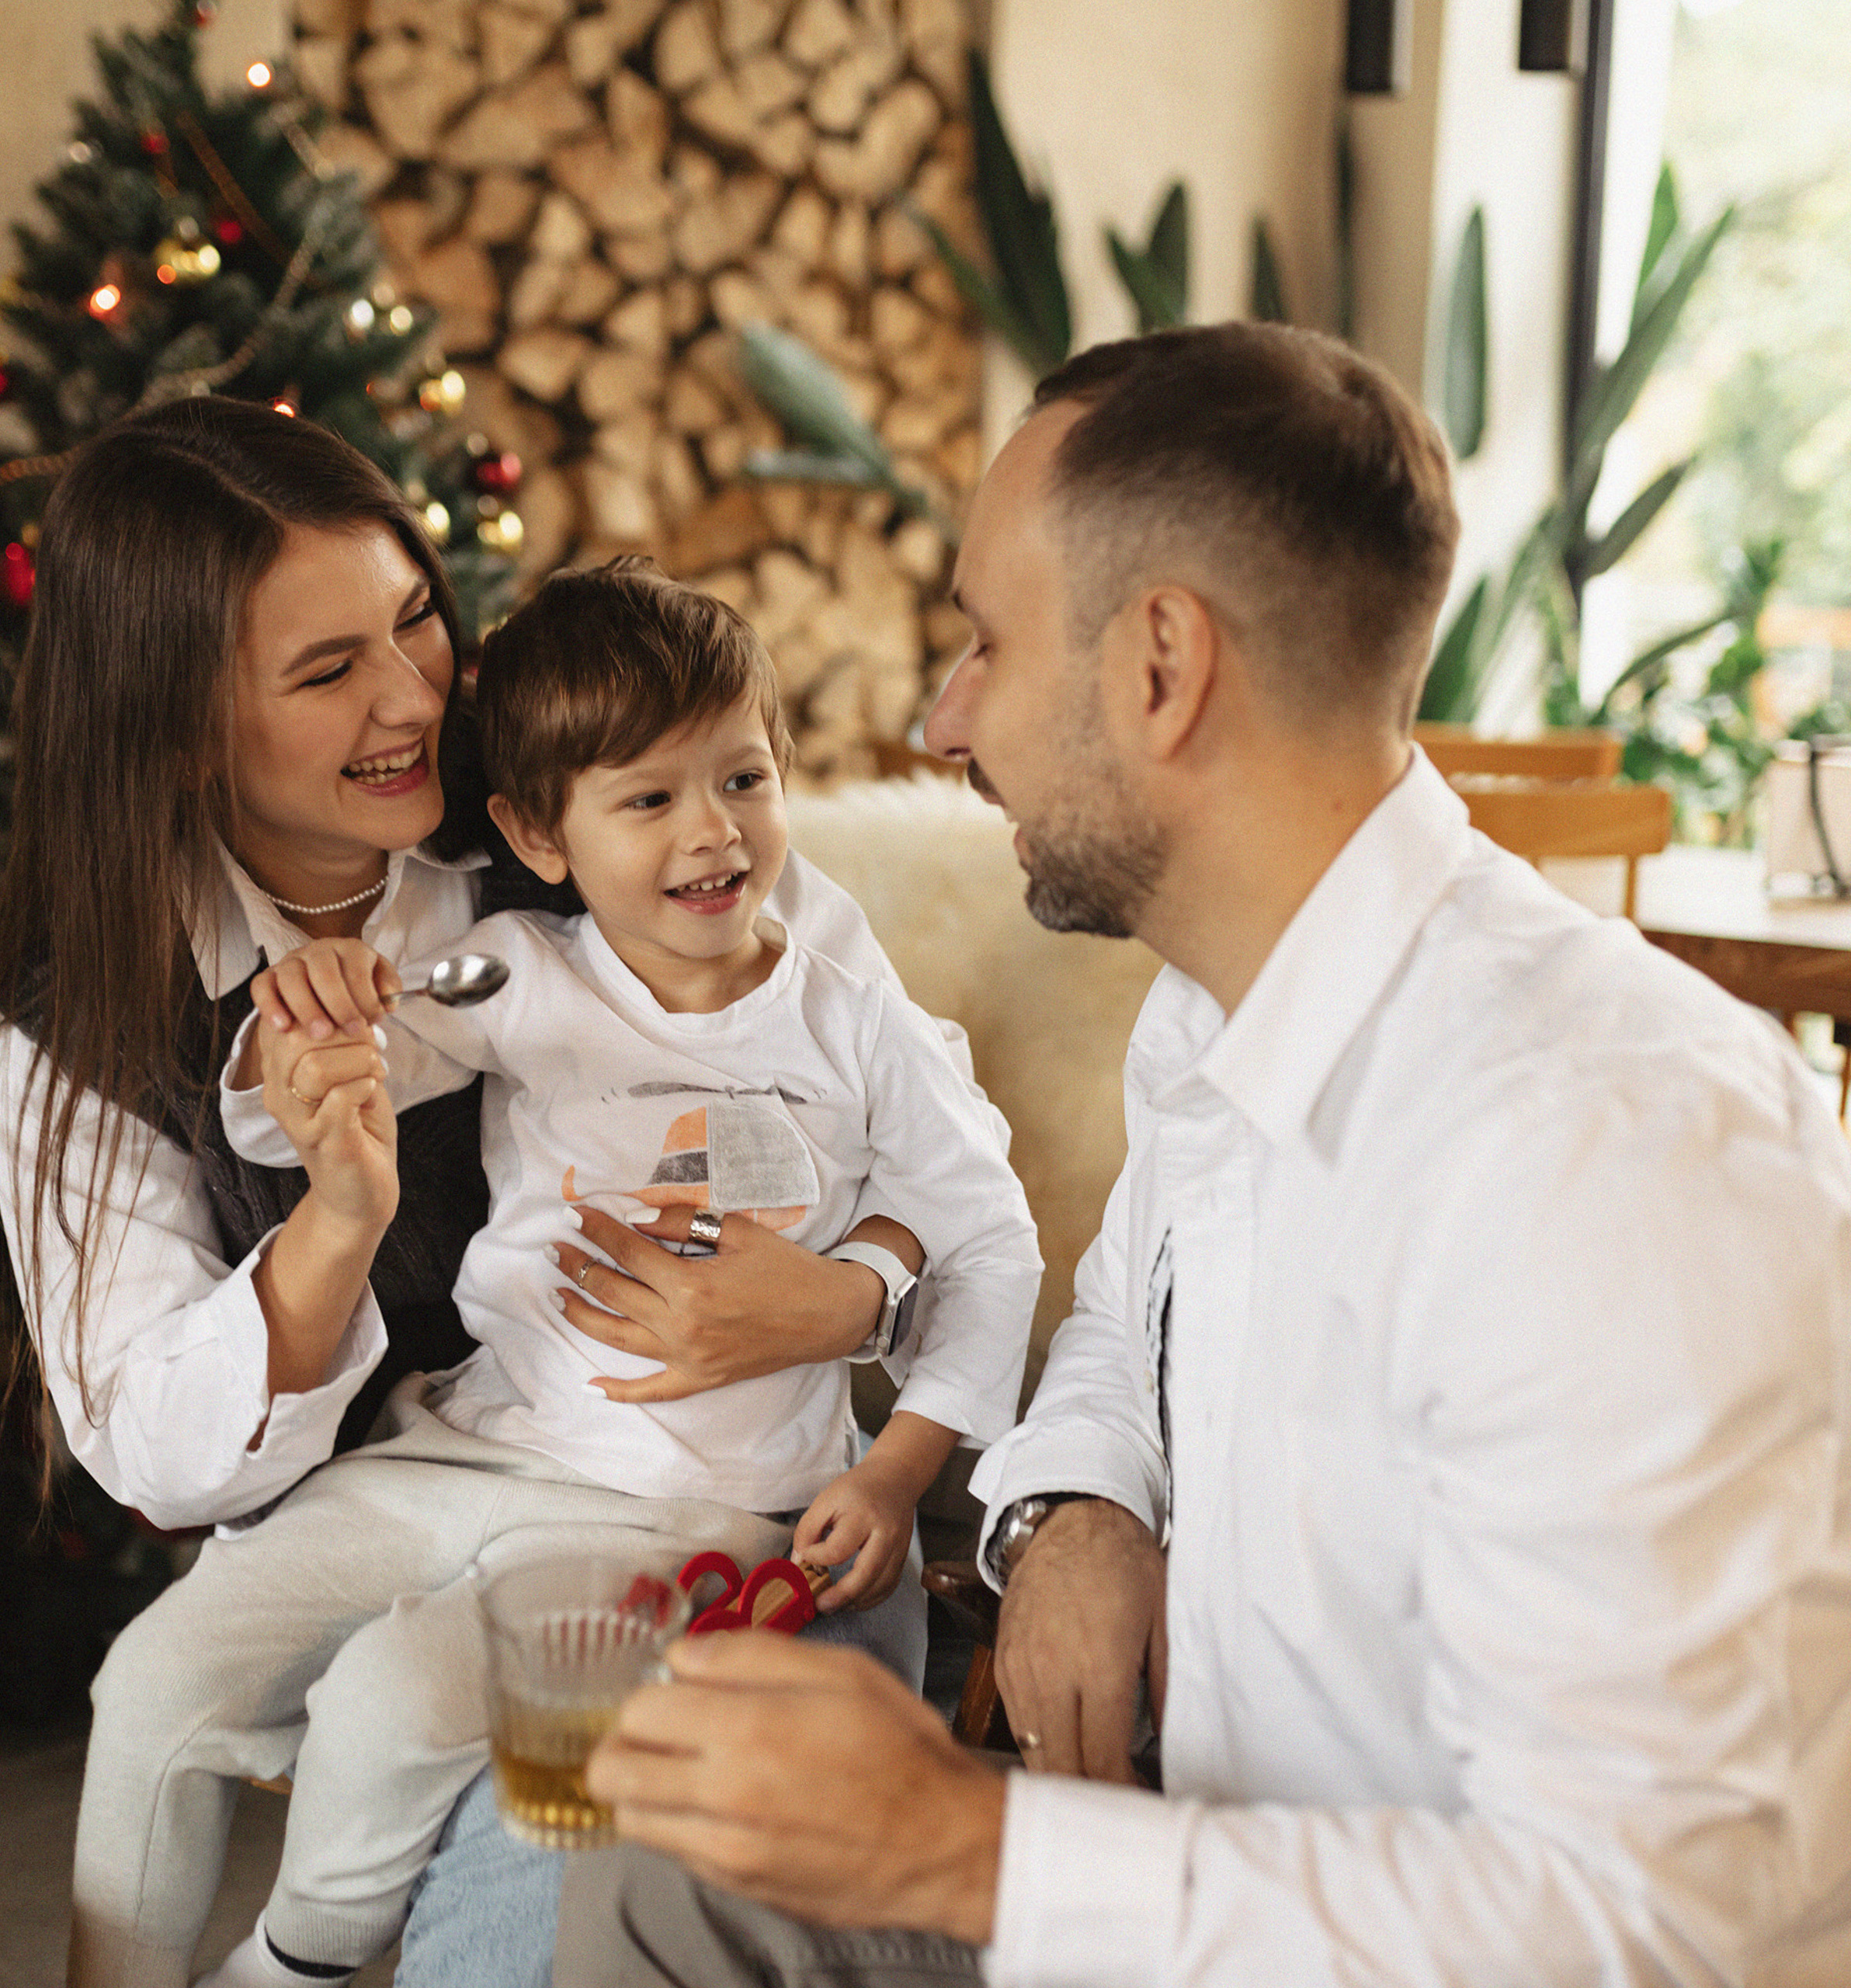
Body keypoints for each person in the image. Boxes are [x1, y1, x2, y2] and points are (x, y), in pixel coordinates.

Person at [553, 321, 1851, 1987]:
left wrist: (969, 1844)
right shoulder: (1214, 998)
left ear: (1158, 664)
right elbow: (1119, 1323)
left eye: (986, 644)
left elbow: (1652, 1929)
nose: (945, 720)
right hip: (1197, 1860)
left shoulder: (1603, 1154)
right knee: (635, 1876)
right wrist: (1078, 1499)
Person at [0, 397, 964, 1988]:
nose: (414, 695)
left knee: (514, 1921)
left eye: (414, 617)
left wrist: (860, 1290)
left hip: (713, 1534)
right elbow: (160, 1454)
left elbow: (896, 1095)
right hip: (417, 1505)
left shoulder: (600, 790)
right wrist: (332, 1222)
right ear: (176, 730)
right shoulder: (73, 1036)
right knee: (162, 1701)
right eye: (324, 669)